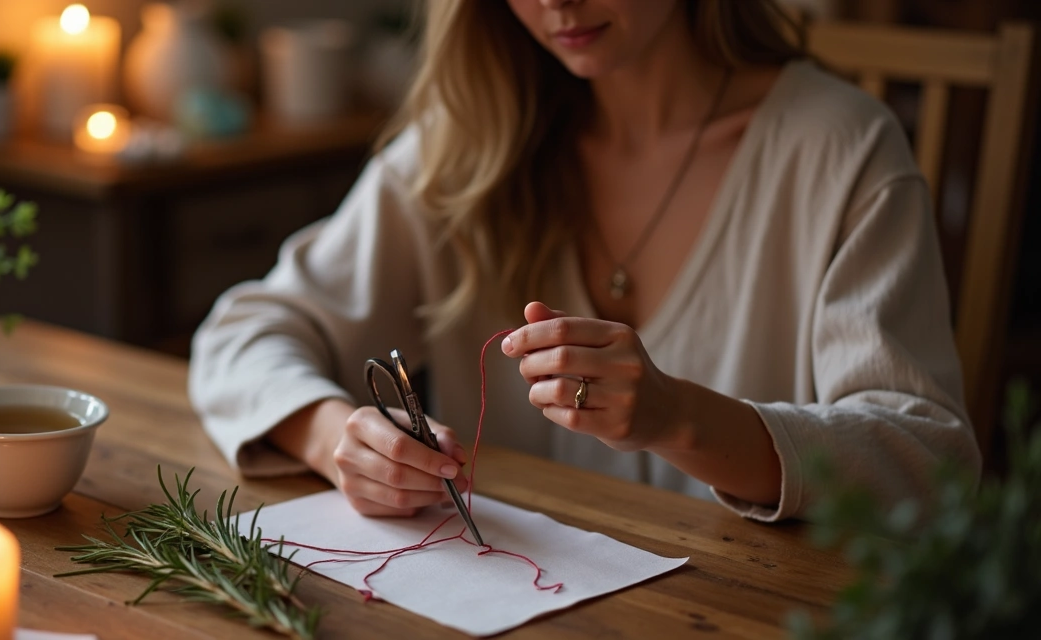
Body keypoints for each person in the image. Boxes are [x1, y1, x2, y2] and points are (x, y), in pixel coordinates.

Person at [189, 0, 980, 522]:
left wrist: (680, 419)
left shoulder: (841, 154)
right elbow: (241, 335)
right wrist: (335, 439)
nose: (556, 2)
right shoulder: (466, 147)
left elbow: (929, 459)